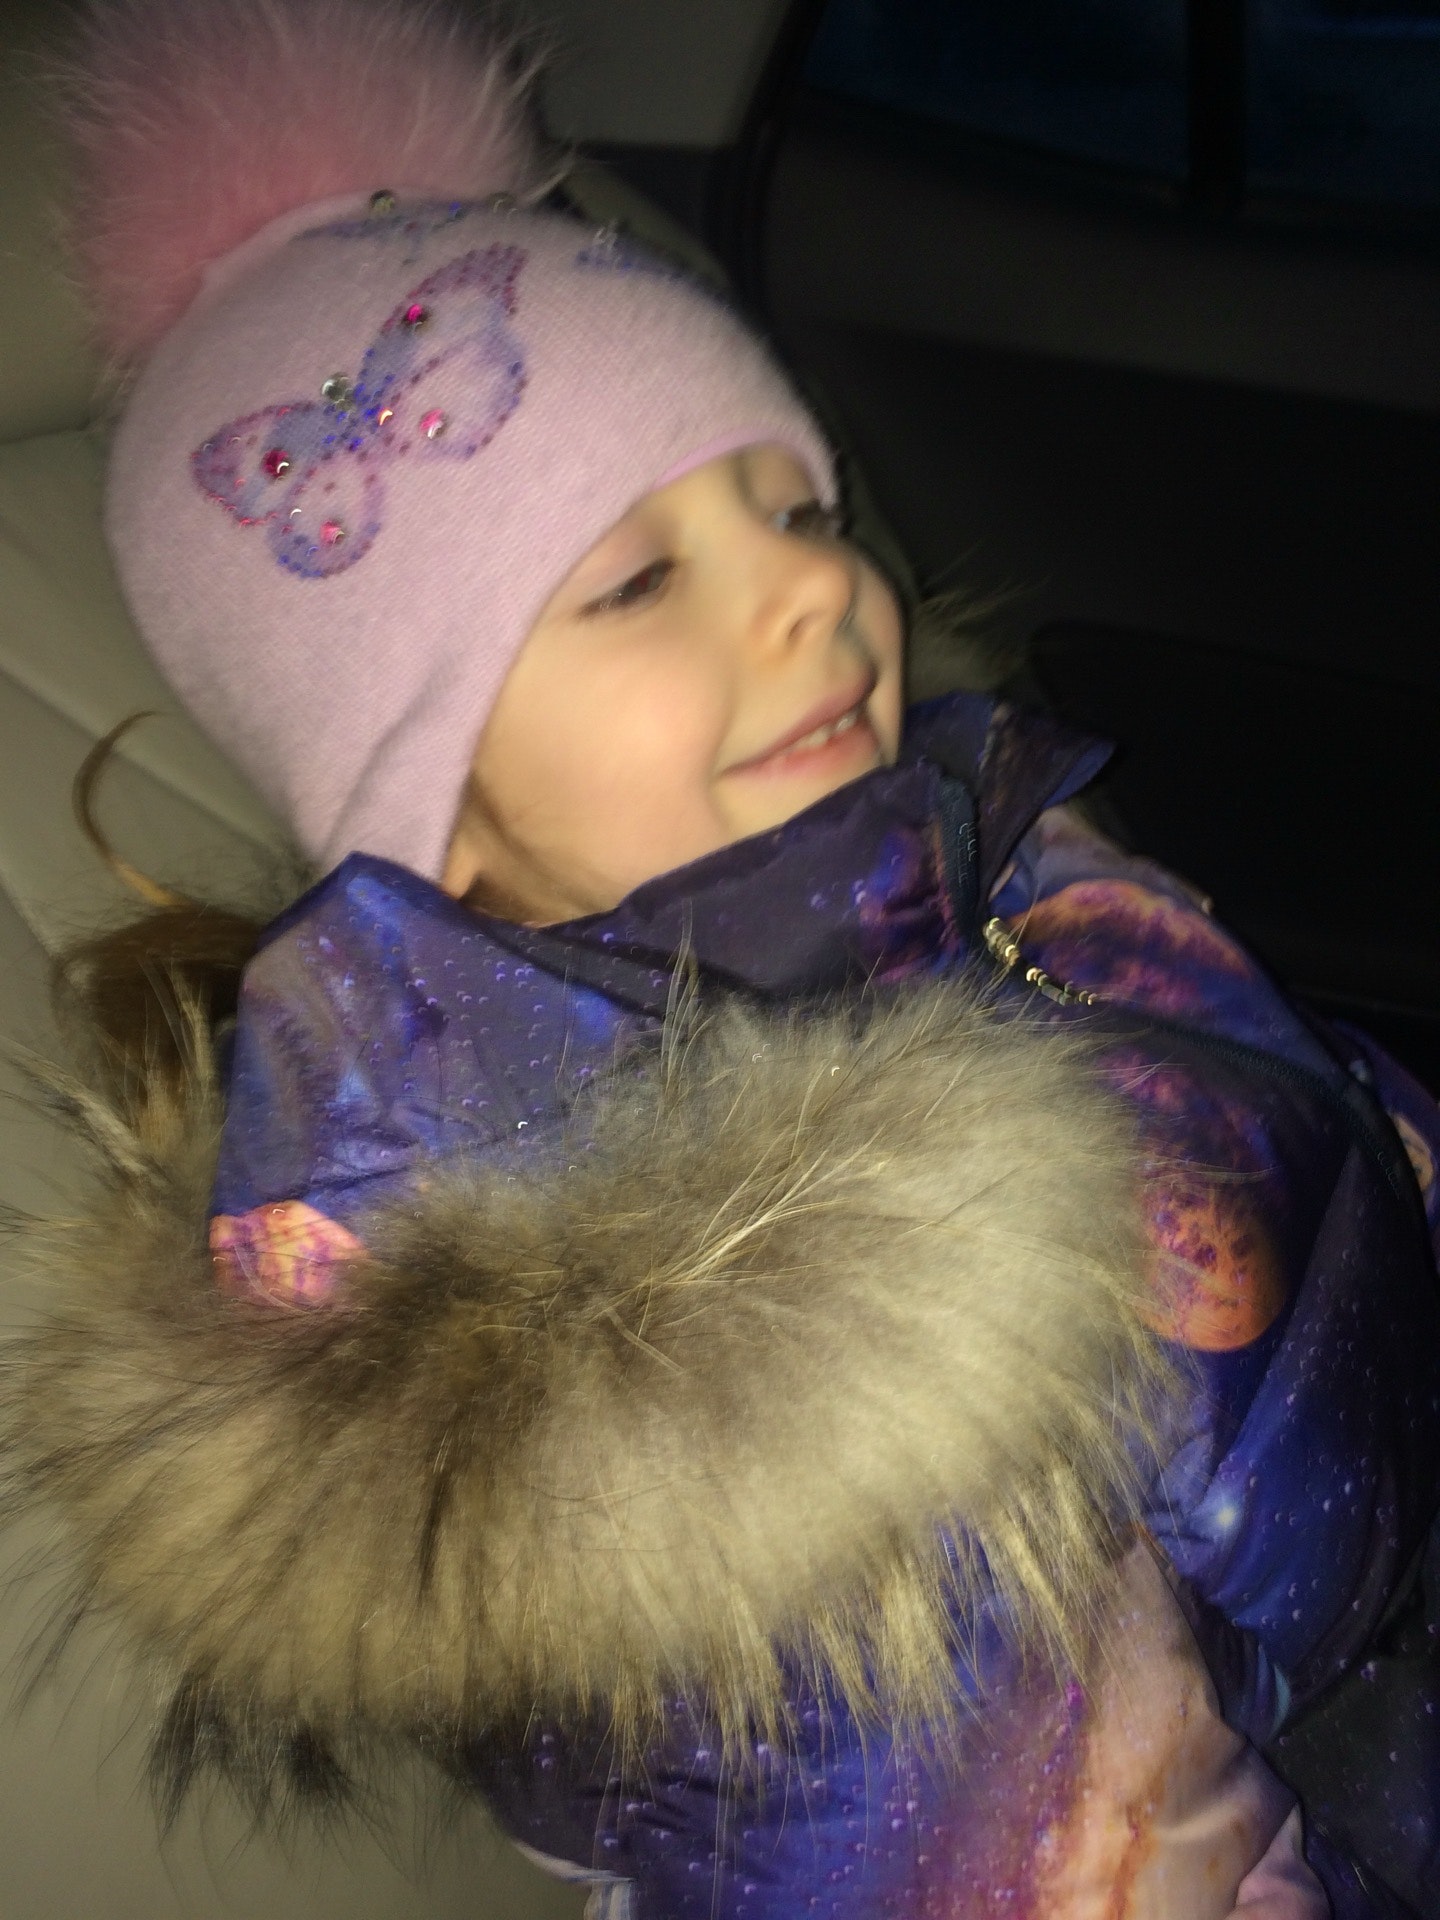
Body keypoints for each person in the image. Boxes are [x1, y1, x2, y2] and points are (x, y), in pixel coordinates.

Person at [6, 2, 1439, 1916]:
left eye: (799, 507)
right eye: (636, 581)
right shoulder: (713, 1405)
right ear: (429, 812)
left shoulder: (981, 862)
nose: (821, 585)